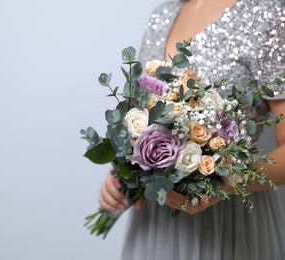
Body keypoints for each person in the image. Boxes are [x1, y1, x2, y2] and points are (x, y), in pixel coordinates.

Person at [98, 0, 285, 259]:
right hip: (155, 221)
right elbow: (135, 114)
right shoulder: (162, 15)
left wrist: (225, 184)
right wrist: (121, 172)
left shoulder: (268, 14)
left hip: (228, 224)